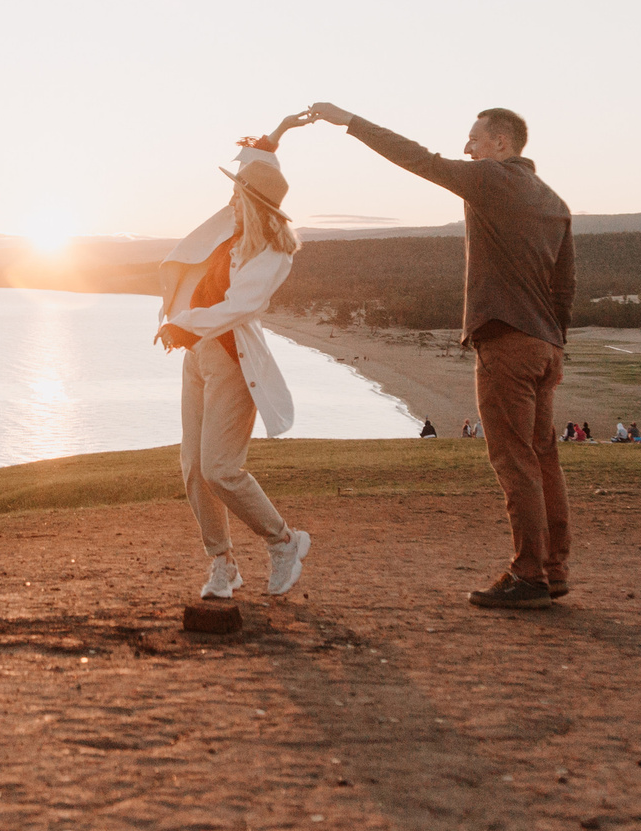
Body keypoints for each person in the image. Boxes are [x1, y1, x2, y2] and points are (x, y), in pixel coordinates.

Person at [306, 102, 574, 609]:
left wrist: (350, 121)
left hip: (507, 343)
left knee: (514, 460)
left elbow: (418, 159)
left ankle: (528, 574)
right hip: (545, 346)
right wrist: (555, 341)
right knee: (543, 457)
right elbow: (566, 286)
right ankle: (554, 568)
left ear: (500, 144)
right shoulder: (554, 201)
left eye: (473, 139)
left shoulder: (491, 180)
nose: (466, 149)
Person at [155, 118, 313, 602]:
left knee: (220, 468)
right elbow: (258, 166)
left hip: (232, 362)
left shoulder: (272, 254)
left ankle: (284, 542)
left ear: (251, 203)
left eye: (238, 195)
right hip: (197, 357)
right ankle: (223, 564)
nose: (229, 200)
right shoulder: (230, 224)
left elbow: (239, 306)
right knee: (191, 467)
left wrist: (186, 324)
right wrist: (276, 135)